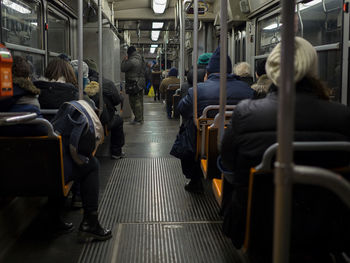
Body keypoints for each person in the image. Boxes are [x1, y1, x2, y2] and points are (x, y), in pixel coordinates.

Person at [220, 37, 350, 247]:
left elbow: (227, 160)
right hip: (328, 227)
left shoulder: (246, 113)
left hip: (256, 224)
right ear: (313, 69)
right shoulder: (342, 116)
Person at [170, 46, 254, 192]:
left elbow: (182, 109)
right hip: (237, 143)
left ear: (207, 73)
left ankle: (195, 180)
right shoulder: (248, 90)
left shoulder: (197, 90)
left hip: (203, 146)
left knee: (188, 130)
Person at [84, 58, 125, 159]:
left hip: (83, 121)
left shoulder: (78, 84)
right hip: (102, 120)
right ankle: (116, 152)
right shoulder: (107, 83)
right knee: (118, 120)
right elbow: (116, 100)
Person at [0, 56, 46, 136]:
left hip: (15, 128)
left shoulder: (10, 88)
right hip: (37, 127)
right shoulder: (29, 88)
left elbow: (2, 105)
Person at [121, 46, 145, 124]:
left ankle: (138, 119)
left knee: (134, 101)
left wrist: (124, 60)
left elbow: (123, 68)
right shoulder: (141, 58)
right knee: (139, 101)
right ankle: (140, 118)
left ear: (129, 53)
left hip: (134, 83)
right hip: (140, 82)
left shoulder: (131, 60)